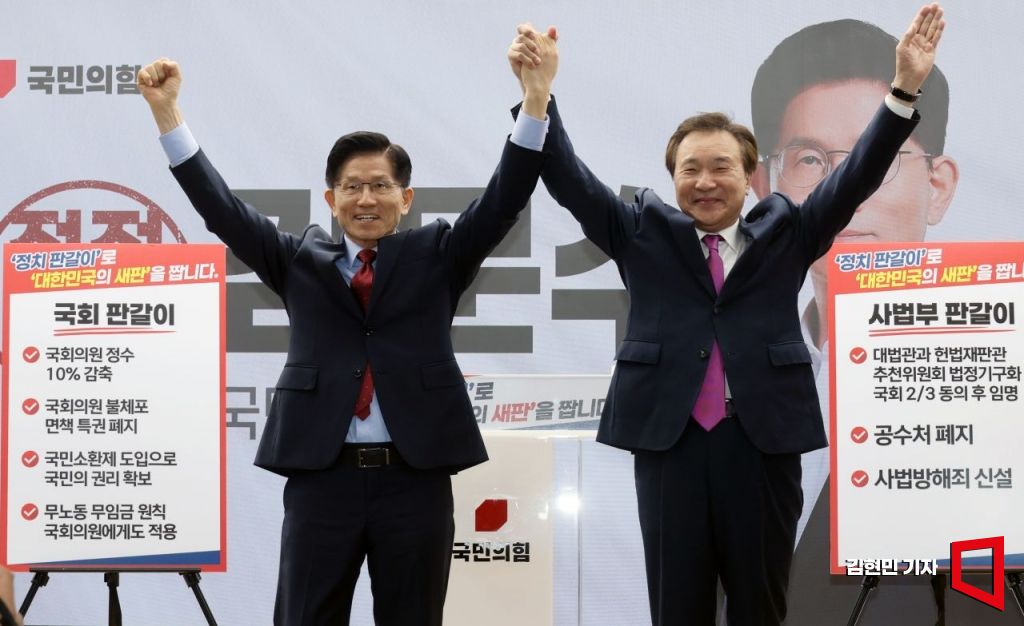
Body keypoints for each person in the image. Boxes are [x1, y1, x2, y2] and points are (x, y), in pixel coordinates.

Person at [508, 4, 944, 624]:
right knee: (677, 607)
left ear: (750, 178)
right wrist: (538, 97)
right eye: (691, 169)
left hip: (761, 443)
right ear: (673, 179)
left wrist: (902, 90)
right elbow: (569, 179)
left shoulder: (789, 231)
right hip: (672, 442)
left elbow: (855, 178)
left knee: (759, 605)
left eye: (721, 168)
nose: (706, 181)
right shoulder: (640, 232)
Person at [136, 41, 556, 626]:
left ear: (405, 198)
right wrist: (167, 113)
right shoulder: (298, 260)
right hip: (322, 478)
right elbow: (221, 209)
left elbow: (503, 200)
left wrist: (535, 99)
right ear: (332, 199)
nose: (366, 199)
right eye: (352, 187)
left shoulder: (439, 255)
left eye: (380, 186)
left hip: (415, 478)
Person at [749, 17, 958, 625]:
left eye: (879, 157)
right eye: (811, 159)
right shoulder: (734, 368)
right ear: (764, 187)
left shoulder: (997, 373)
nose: (847, 190)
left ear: (938, 186)